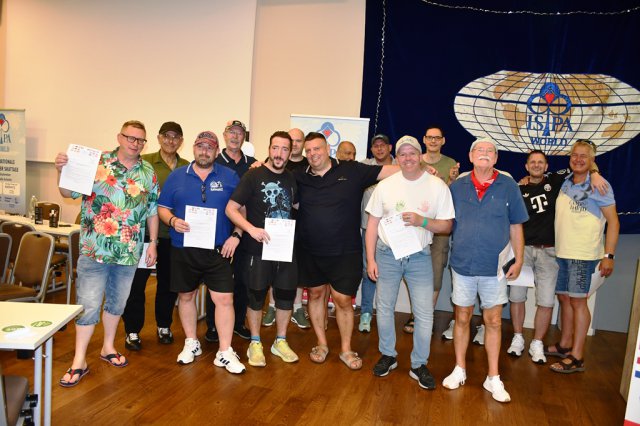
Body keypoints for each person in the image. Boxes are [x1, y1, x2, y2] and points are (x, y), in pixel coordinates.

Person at [56, 120, 159, 387]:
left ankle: (108, 347)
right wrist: (62, 171)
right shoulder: (97, 162)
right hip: (95, 249)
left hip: (128, 252)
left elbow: (152, 210)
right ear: (119, 137)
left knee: (117, 303)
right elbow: (67, 192)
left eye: (140, 140)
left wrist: (153, 242)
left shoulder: (148, 171)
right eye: (130, 138)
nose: (135, 143)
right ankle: (79, 360)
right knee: (88, 304)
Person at [294, 132, 398, 370]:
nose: (313, 154)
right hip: (310, 250)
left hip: (345, 251)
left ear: (327, 149)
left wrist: (419, 168)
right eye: (308, 151)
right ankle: (321, 344)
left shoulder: (351, 170)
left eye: (317, 149)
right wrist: (259, 165)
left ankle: (346, 349)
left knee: (342, 300)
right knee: (316, 294)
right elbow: (275, 176)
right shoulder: (300, 176)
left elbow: (389, 171)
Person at [442, 137, 528, 403]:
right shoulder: (457, 186)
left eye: (490, 151)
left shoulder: (508, 186)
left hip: (494, 268)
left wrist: (519, 260)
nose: (485, 153)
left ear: (496, 158)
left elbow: (516, 225)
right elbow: (445, 220)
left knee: (493, 321)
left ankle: (493, 377)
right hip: (463, 265)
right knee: (462, 317)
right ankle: (459, 369)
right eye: (479, 150)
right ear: (470, 156)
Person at [365, 136, 455, 389]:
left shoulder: (437, 186)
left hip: (419, 256)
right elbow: (372, 225)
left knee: (424, 312)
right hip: (386, 254)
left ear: (420, 155)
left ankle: (419, 364)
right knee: (384, 307)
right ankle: (388, 355)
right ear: (398, 157)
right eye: (402, 154)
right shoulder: (385, 185)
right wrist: (370, 259)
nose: (407, 158)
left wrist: (421, 221)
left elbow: (447, 226)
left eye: (412, 153)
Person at [157, 130, 246, 373]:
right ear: (193, 149)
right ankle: (191, 342)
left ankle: (224, 351)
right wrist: (173, 221)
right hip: (184, 248)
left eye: (209, 147)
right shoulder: (177, 176)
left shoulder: (229, 176)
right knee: (186, 296)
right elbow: (162, 208)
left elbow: (241, 210)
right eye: (200, 146)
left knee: (224, 299)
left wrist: (236, 235)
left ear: (216, 151)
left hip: (219, 250)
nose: (204, 151)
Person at [506, 150, 605, 362]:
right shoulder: (517, 188)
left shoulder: (557, 181)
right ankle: (518, 337)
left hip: (549, 251)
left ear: (546, 166)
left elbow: (581, 164)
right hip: (523, 250)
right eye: (532, 162)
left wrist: (595, 173)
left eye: (540, 162)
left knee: (546, 300)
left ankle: (537, 342)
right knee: (516, 296)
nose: (536, 165)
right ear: (526, 166)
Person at [226, 131, 300, 367]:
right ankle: (255, 342)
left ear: (290, 152)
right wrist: (250, 229)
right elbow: (231, 208)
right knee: (256, 296)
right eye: (275, 148)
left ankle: (280, 341)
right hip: (258, 249)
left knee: (286, 296)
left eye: (285, 149)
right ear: (269, 149)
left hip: (284, 249)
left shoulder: (291, 178)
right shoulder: (253, 175)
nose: (279, 153)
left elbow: (295, 206)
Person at [548, 140, 619, 374]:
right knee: (564, 298)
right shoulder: (566, 182)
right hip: (563, 252)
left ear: (592, 160)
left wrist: (609, 255)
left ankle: (577, 356)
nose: (578, 160)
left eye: (584, 156)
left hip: (583, 254)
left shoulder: (600, 185)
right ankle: (565, 344)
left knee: (578, 302)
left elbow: (614, 222)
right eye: (575, 155)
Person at [122, 121, 189, 351]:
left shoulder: (187, 167)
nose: (171, 140)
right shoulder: (144, 162)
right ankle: (132, 330)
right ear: (159, 138)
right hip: (144, 236)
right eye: (166, 136)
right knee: (136, 284)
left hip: (173, 236)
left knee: (168, 285)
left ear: (181, 141)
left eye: (176, 137)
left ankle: (164, 326)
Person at [205, 120, 256, 343]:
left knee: (243, 279)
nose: (235, 136)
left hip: (243, 231)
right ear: (224, 135)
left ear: (244, 137)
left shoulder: (254, 165)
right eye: (231, 132)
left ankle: (238, 323)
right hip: (218, 230)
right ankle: (212, 325)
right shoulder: (213, 161)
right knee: (216, 280)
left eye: (239, 133)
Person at [262, 127, 310, 329]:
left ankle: (297, 307)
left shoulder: (309, 164)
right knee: (273, 266)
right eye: (292, 140)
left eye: (298, 141)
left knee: (294, 270)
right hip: (275, 227)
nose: (295, 143)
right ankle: (272, 306)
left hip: (299, 227)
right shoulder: (273, 161)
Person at [419, 126, 459, 339]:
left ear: (443, 141)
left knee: (435, 272)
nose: (433, 141)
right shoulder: (416, 161)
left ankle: (426, 317)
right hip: (417, 225)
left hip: (440, 229)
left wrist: (451, 181)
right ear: (424, 140)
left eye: (437, 138)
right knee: (415, 271)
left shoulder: (450, 164)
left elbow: (451, 199)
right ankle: (417, 316)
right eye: (430, 137)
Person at [358, 133, 396, 332]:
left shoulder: (400, 166)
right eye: (376, 146)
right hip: (368, 226)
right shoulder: (365, 166)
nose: (379, 148)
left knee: (391, 272)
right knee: (369, 270)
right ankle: (366, 312)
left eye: (383, 145)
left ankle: (385, 314)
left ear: (390, 147)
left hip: (394, 228)